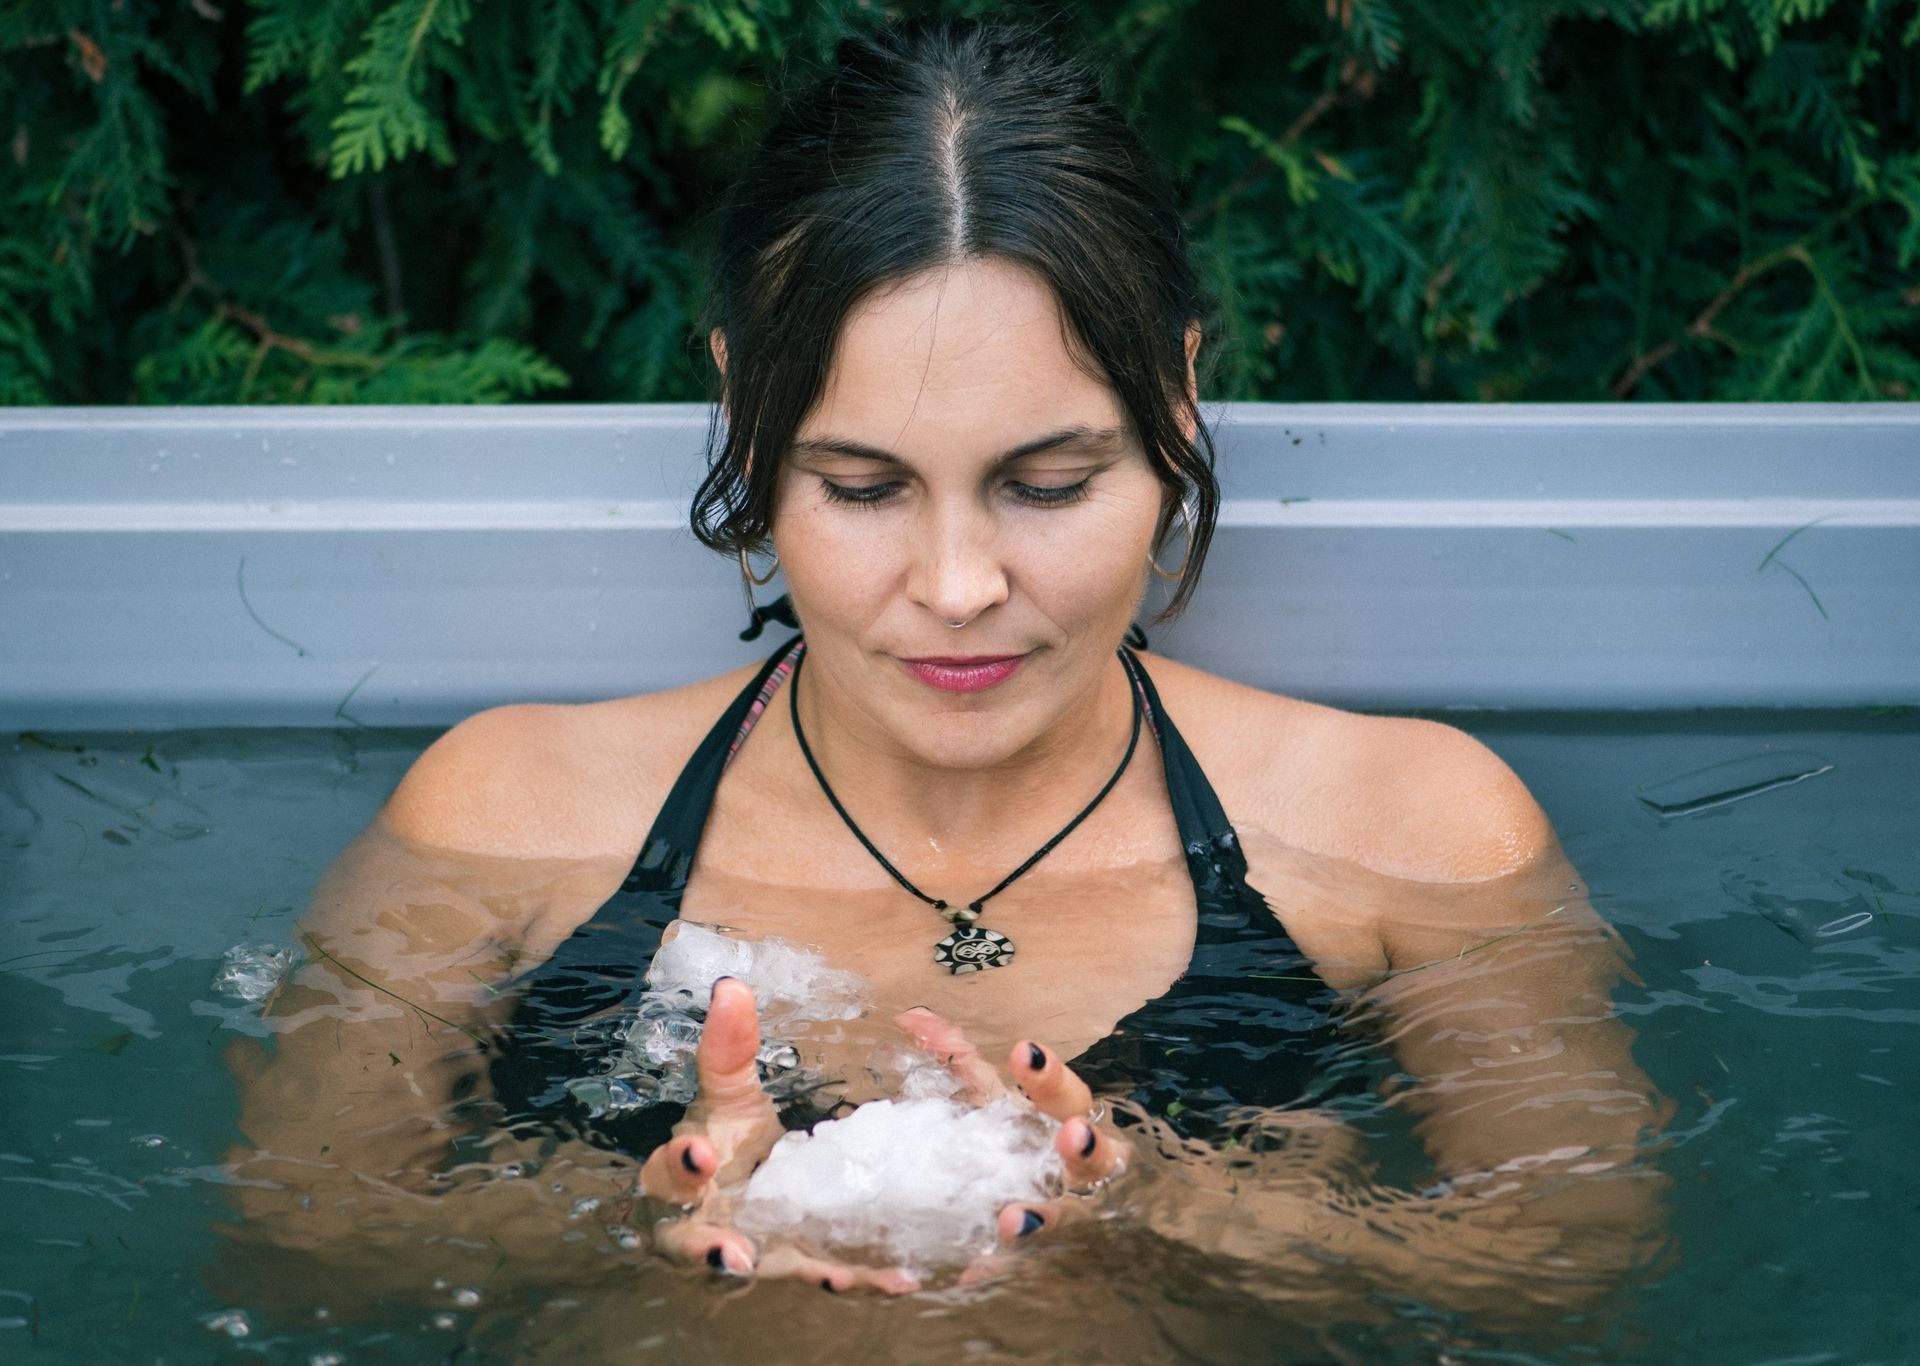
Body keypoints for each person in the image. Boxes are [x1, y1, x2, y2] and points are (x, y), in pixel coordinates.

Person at [223, 16, 1669, 1329]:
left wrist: (1182, 1205)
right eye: (862, 488)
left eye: (1048, 484)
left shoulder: (1408, 828)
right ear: (746, 423)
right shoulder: (510, 817)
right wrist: (621, 1218)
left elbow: (1574, 1255)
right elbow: (298, 1241)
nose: (961, 585)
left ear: (1171, 409)